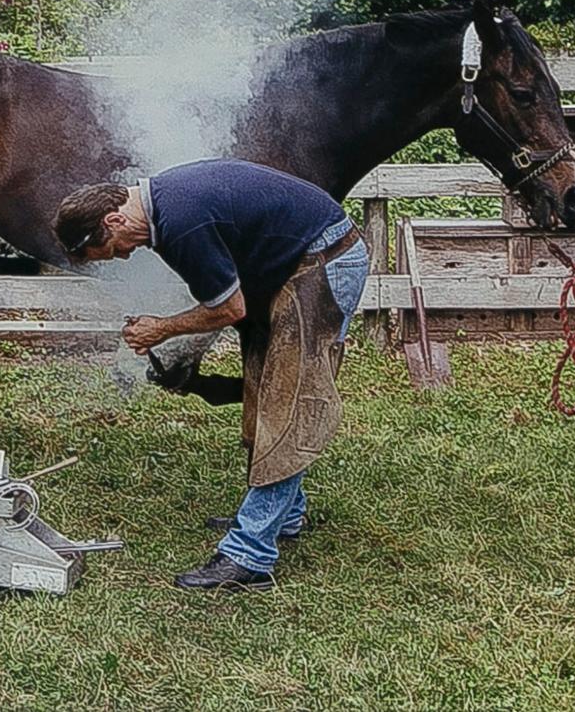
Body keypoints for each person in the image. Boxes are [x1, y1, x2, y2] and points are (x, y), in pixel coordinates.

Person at [55, 158, 369, 592]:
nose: (125, 256)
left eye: (114, 249)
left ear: (113, 219)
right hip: (292, 263)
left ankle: (249, 556)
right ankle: (284, 516)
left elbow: (229, 310)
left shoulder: (180, 224)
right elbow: (224, 293)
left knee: (288, 400)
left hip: (324, 259)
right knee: (263, 384)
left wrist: (160, 329)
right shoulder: (166, 208)